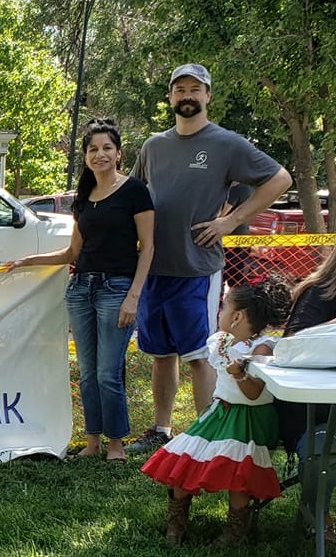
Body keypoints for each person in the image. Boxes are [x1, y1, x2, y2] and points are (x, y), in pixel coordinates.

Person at [126, 63, 293, 453]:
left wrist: (230, 221)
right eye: (179, 89)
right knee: (160, 354)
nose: (187, 96)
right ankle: (160, 429)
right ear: (170, 96)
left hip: (196, 269)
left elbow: (280, 179)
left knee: (200, 355)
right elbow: (133, 196)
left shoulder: (226, 144)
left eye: (194, 90)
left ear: (207, 96)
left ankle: (206, 432)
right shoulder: (153, 146)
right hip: (153, 269)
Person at [9, 118, 154, 462]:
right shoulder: (84, 198)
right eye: (92, 149)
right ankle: (92, 443)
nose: (99, 154)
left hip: (116, 289)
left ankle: (116, 445)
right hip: (81, 289)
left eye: (106, 148)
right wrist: (29, 260)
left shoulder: (135, 191)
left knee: (108, 373)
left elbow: (147, 248)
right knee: (87, 373)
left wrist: (133, 296)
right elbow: (72, 253)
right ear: (86, 156)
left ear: (119, 154)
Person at [140, 275, 292, 547]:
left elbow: (254, 393)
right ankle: (176, 524)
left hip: (250, 419)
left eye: (224, 307)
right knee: (183, 459)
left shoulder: (261, 348)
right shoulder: (221, 341)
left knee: (239, 474)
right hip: (219, 413)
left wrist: (239, 374)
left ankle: (235, 531)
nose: (220, 311)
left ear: (238, 316)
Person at [277, 247, 336, 539]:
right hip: (314, 413)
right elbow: (291, 346)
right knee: (324, 450)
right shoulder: (317, 293)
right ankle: (318, 515)